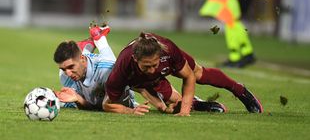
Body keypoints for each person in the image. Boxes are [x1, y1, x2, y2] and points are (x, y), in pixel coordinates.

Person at [54, 25, 226, 114]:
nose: (68, 72)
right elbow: (96, 106)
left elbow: (106, 105)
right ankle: (94, 39)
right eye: (64, 68)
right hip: (125, 80)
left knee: (170, 100)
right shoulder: (65, 76)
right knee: (165, 104)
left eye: (70, 67)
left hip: (131, 80)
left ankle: (198, 103)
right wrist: (77, 100)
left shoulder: (108, 67)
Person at [103, 32, 263, 116]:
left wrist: (185, 111)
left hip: (163, 69)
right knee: (172, 102)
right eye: (147, 67)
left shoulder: (168, 49)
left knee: (198, 74)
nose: (152, 70)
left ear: (160, 57)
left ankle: (239, 90)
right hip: (142, 83)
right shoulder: (123, 66)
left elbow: (189, 77)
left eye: (155, 65)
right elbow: (107, 104)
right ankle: (198, 104)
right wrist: (130, 111)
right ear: (135, 59)